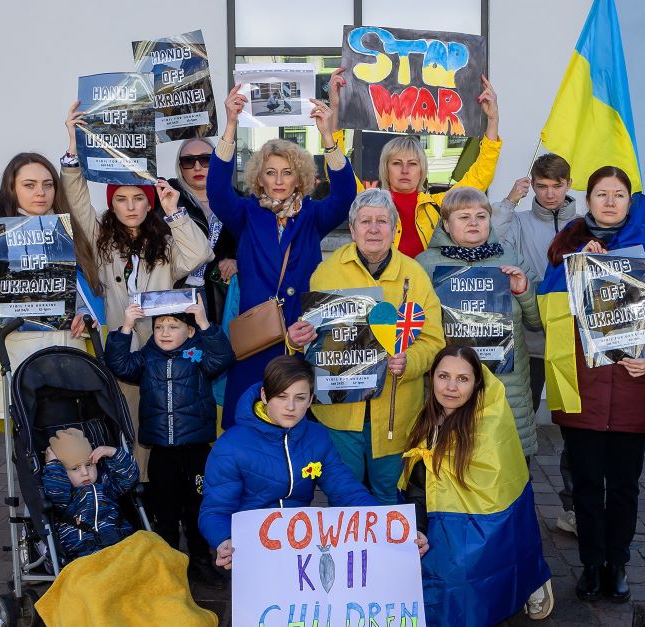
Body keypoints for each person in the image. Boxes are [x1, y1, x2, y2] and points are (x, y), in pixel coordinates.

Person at [539, 166, 645, 603]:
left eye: (619, 194)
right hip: (583, 387)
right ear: (589, 200)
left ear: (629, 201)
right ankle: (590, 565)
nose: (610, 201)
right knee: (584, 483)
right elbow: (549, 311)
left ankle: (617, 563)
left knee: (623, 484)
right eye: (602, 194)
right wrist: (582, 266)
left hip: (633, 389)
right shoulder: (568, 247)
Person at [59, 101, 214, 478]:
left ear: (150, 203)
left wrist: (174, 210)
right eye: (121, 199)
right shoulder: (100, 238)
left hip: (160, 352)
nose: (130, 207)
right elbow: (78, 203)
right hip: (120, 349)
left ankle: (158, 499)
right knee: (124, 424)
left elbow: (200, 253)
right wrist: (73, 152)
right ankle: (133, 496)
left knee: (158, 427)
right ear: (111, 203)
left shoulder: (165, 243)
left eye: (139, 198)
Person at [209, 84, 357, 426]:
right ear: (259, 177)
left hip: (298, 335)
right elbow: (217, 193)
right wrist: (230, 125)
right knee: (249, 421)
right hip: (257, 337)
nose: (278, 180)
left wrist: (329, 137)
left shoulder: (312, 216)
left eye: (287, 172)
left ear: (299, 177)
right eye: (271, 172)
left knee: (293, 420)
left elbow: (346, 195)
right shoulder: (247, 214)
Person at [286, 188, 445, 504]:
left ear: (394, 227)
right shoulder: (326, 273)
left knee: (388, 496)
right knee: (344, 497)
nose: (374, 229)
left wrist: (409, 362)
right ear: (353, 228)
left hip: (394, 414)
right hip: (340, 414)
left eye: (382, 221)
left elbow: (433, 340)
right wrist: (295, 341)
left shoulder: (414, 275)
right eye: (365, 221)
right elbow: (311, 341)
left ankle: (388, 554)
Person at [200, 357, 431, 570]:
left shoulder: (316, 436)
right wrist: (223, 541)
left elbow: (346, 491)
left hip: (301, 545)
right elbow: (214, 511)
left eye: (300, 398)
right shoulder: (230, 446)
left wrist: (394, 530)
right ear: (264, 395)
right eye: (281, 397)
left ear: (311, 399)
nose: (290, 407)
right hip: (252, 548)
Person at [0, 152, 106, 431]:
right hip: (15, 366)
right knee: (30, 463)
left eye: (48, 184)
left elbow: (91, 299)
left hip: (69, 366)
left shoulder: (70, 232)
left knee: (76, 459)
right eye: (29, 185)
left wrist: (85, 319)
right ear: (11, 189)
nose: (40, 192)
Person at [402, 346, 553, 623]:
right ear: (431, 378)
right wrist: (419, 528)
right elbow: (417, 486)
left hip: (484, 524)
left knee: (465, 574)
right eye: (443, 376)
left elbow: (500, 493)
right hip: (439, 519)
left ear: (476, 384)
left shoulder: (490, 427)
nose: (451, 387)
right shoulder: (423, 421)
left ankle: (532, 580)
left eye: (463, 379)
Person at [104, 297, 234, 586]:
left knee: (197, 508)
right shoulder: (146, 359)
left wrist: (203, 322)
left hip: (197, 450)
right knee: (165, 511)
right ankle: (169, 566)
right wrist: (126, 326)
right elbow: (118, 363)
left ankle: (200, 561)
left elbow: (222, 358)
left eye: (173, 326)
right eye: (159, 326)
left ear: (188, 332)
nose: (164, 332)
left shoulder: (196, 356)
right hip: (162, 452)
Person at [415, 186, 542, 460]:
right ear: (446, 224)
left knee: (506, 474)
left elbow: (538, 320)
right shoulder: (424, 266)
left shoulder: (511, 259)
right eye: (463, 217)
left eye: (481, 216)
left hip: (505, 387)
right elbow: (413, 328)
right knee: (450, 470)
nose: (474, 222)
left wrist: (523, 290)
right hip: (448, 391)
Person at [492, 153, 581, 533]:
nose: (549, 194)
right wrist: (510, 201)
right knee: (520, 424)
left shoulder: (585, 224)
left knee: (576, 430)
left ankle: (573, 508)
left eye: (556, 186)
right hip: (530, 341)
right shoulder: (521, 221)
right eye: (541, 187)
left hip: (574, 342)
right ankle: (517, 499)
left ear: (568, 184)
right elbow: (491, 240)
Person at [327, 69, 503, 257]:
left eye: (412, 164)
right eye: (396, 163)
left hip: (426, 285)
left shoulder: (438, 205)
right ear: (385, 167)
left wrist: (492, 119)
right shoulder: (368, 202)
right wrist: (336, 108)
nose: (404, 170)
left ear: (422, 170)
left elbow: (481, 175)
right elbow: (338, 171)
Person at [166, 137, 239, 324]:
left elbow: (253, 245)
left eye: (206, 159)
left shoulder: (238, 201)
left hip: (221, 297)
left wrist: (238, 261)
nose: (198, 167)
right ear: (180, 166)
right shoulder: (167, 200)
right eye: (188, 161)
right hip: (176, 294)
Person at [42, 428, 140, 559]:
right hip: (85, 551)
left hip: (120, 542)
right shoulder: (65, 496)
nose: (85, 472)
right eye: (75, 468)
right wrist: (53, 465)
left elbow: (129, 477)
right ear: (62, 472)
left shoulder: (105, 485)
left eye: (88, 464)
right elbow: (56, 491)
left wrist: (112, 452)